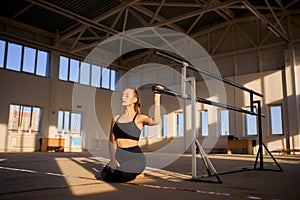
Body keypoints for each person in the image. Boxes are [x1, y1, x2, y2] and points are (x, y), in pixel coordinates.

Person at [98, 86, 162, 183]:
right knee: (105, 175)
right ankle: (132, 173)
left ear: (134, 100)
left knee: (121, 174)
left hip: (135, 157)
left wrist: (157, 97)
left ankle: (137, 174)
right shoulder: (115, 119)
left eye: (127, 96)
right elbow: (112, 141)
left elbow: (156, 121)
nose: (123, 97)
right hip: (119, 155)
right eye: (122, 95)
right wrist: (113, 160)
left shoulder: (139, 118)